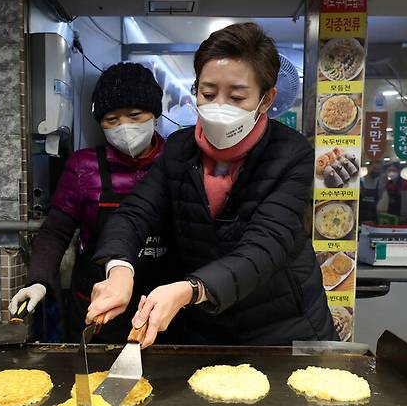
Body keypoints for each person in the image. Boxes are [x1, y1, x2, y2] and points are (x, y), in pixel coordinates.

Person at [86, 23, 337, 348]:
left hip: (284, 330)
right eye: (207, 93)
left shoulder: (291, 154)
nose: (219, 107)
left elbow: (264, 247)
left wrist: (189, 289)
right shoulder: (179, 149)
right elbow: (135, 212)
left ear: (266, 98)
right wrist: (119, 269)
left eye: (236, 97)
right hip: (206, 328)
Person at [10, 62, 171, 343]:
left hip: (161, 305)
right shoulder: (83, 167)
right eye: (112, 120)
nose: (125, 127)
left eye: (134, 116)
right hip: (98, 306)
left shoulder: (177, 161)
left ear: (154, 115)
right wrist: (38, 279)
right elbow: (56, 231)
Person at [359, 160, 384, 224]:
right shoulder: (360, 181)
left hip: (373, 215)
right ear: (368, 167)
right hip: (361, 215)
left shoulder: (378, 183)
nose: (376, 171)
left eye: (378, 170)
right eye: (374, 168)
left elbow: (380, 198)